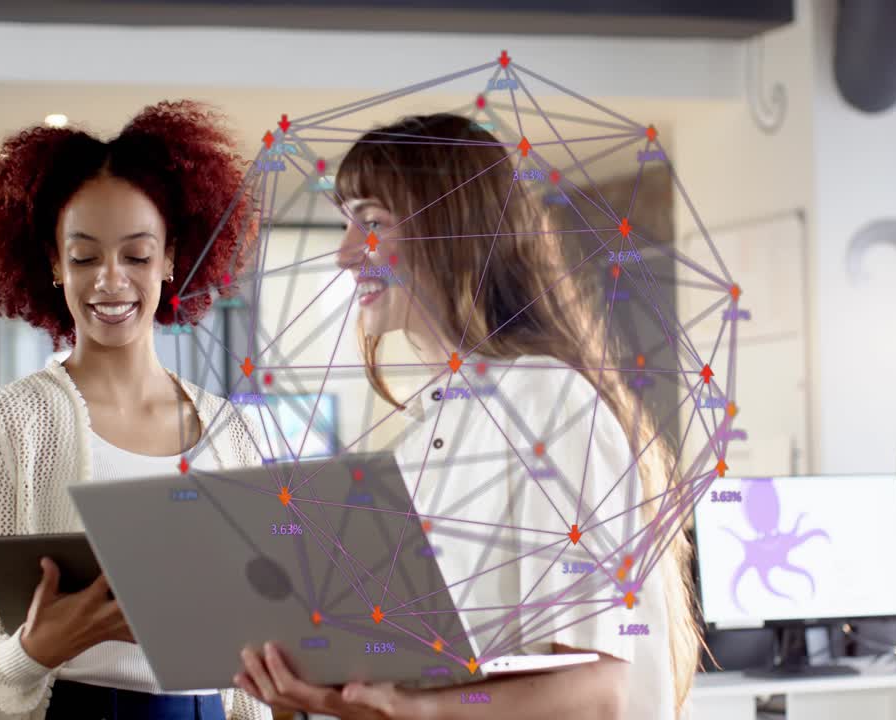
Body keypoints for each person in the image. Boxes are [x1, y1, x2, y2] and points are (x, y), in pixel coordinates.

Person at [234, 113, 701, 719]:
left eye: (372, 222)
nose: (348, 253)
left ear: (450, 230)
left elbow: (596, 695)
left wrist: (407, 710)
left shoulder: (548, 404)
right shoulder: (428, 434)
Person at [0, 99, 272, 720]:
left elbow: (249, 658)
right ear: (51, 261)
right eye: (85, 256)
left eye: (137, 255)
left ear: (173, 257)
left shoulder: (230, 430)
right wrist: (33, 652)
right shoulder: (11, 423)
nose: (110, 281)